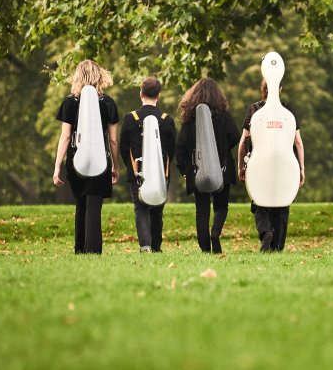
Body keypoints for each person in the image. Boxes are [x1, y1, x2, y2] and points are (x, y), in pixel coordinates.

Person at [53, 60, 119, 254]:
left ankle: (80, 249)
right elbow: (113, 140)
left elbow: (65, 136)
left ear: (77, 76)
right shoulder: (108, 103)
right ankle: (93, 250)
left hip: (76, 160)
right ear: (99, 76)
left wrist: (57, 167)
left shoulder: (70, 102)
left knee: (81, 203)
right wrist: (115, 166)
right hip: (101, 160)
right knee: (94, 205)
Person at [237, 79, 305, 252]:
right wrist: (301, 168)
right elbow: (298, 142)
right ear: (280, 89)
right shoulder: (287, 111)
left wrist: (241, 166)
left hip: (259, 163)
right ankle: (278, 245)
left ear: (263, 89)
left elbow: (244, 141)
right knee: (283, 201)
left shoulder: (254, 110)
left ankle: (266, 231)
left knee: (259, 200)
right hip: (284, 164)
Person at [175, 78, 240, 254]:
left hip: (198, 171)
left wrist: (185, 170)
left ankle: (205, 249)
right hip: (223, 168)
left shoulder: (190, 119)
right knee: (221, 206)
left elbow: (180, 147)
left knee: (201, 211)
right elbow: (234, 136)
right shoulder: (224, 116)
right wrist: (222, 150)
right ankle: (215, 233)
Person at [119, 77, 176, 253]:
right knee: (157, 210)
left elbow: (123, 147)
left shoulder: (130, 118)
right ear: (158, 95)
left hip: (137, 172)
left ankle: (145, 245)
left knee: (140, 209)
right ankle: (156, 246)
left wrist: (131, 167)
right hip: (161, 172)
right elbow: (171, 150)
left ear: (141, 94)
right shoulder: (167, 119)